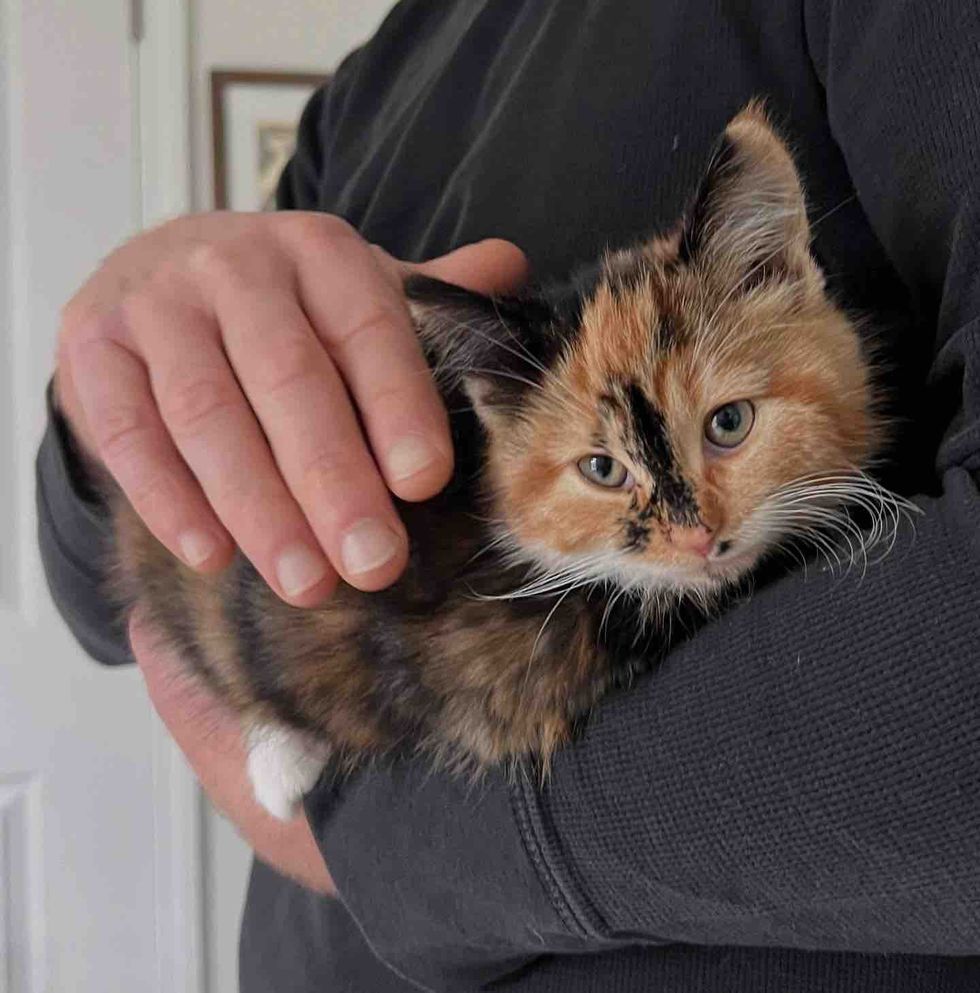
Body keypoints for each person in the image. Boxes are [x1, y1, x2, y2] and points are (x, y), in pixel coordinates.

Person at [37, 1, 980, 990]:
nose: (695, 526)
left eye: (728, 427)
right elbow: (86, 596)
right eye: (608, 472)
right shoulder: (373, 82)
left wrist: (377, 853)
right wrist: (100, 387)